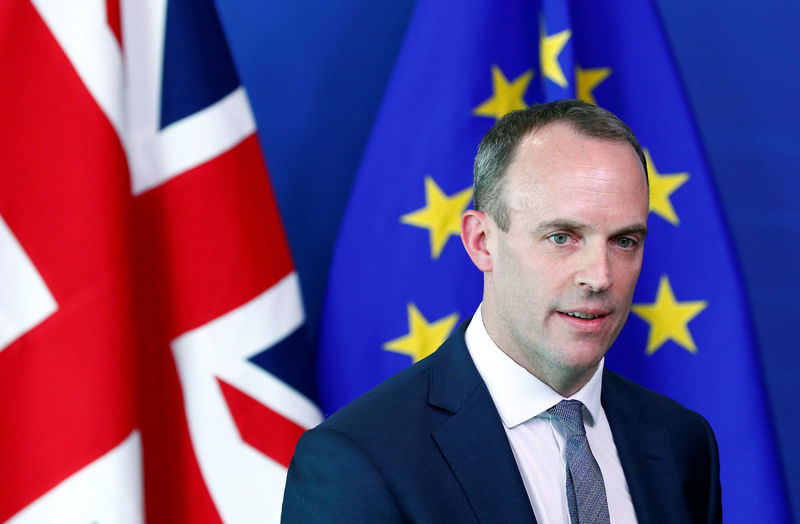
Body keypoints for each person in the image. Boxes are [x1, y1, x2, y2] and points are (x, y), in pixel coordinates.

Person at [282, 100, 721, 523]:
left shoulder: (681, 443)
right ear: (481, 241)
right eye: (562, 237)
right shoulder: (361, 461)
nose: (600, 276)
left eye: (624, 241)